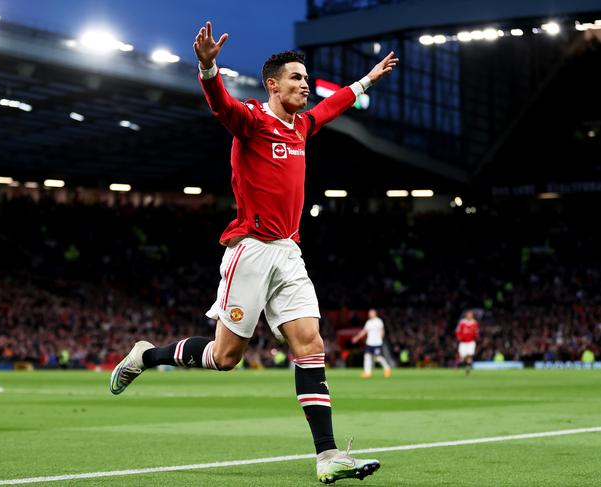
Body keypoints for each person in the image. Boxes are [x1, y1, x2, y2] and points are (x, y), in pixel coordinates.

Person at [110, 21, 398, 484]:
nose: (304, 85)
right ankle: (146, 356)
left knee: (311, 345)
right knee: (226, 358)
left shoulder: (302, 127)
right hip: (252, 249)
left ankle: (327, 456)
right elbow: (219, 104)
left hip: (288, 251)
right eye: (296, 78)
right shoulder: (251, 121)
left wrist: (367, 80)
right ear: (273, 84)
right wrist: (207, 66)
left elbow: (335, 105)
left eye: (306, 78)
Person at [351, 309, 392, 378]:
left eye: (371, 313)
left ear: (375, 313)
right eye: (369, 313)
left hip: (377, 343)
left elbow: (382, 331)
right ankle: (367, 372)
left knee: (378, 358)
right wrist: (357, 338)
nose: (370, 314)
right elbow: (364, 331)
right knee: (367, 356)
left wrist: (380, 339)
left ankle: (387, 369)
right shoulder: (369, 322)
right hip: (370, 343)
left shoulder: (379, 321)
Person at [455, 310, 480, 375]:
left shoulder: (474, 323)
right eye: (468, 314)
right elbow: (458, 330)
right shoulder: (462, 322)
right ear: (466, 315)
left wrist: (476, 336)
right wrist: (459, 337)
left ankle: (467, 370)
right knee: (463, 357)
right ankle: (463, 364)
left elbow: (476, 332)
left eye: (471, 315)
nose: (469, 316)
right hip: (463, 342)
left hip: (471, 342)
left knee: (469, 355)